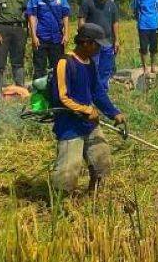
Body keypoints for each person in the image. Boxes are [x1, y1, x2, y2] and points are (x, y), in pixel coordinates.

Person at [49, 23, 127, 193]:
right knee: (68, 171)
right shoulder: (64, 63)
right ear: (86, 43)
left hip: (89, 124)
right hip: (70, 126)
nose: (99, 49)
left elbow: (97, 92)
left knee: (102, 159)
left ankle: (95, 195)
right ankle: (60, 205)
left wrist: (114, 113)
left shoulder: (90, 63)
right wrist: (86, 110)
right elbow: (61, 97)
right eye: (97, 45)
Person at [27, 0, 71, 79]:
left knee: (57, 67)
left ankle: (56, 89)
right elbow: (32, 17)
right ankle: (39, 91)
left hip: (56, 38)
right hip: (40, 37)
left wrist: (66, 34)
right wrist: (33, 36)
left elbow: (65, 16)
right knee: (39, 67)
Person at [79, 0, 119, 92]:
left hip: (107, 41)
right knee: (92, 66)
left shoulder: (112, 5)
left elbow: (115, 23)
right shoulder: (87, 3)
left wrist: (116, 40)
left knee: (106, 68)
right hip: (92, 42)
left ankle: (102, 90)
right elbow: (81, 20)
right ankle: (91, 90)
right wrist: (83, 37)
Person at [130, 0, 158, 74]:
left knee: (154, 47)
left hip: (154, 25)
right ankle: (145, 67)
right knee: (143, 48)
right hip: (143, 25)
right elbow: (135, 9)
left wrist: (156, 20)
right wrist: (139, 19)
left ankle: (153, 66)